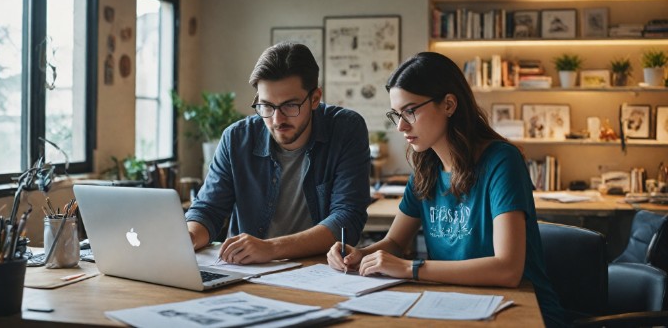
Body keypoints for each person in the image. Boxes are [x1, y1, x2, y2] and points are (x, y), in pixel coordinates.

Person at [327, 52, 566, 327]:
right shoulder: (425, 167)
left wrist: (409, 268)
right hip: (453, 304)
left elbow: (508, 270)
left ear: (449, 104)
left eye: (410, 111)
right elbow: (394, 242)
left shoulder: (502, 161)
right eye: (397, 114)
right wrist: (361, 255)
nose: (401, 126)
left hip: (521, 311)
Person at [186, 42, 371, 265]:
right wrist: (188, 237)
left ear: (315, 98)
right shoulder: (236, 138)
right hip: (246, 272)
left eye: (290, 106)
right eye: (266, 106)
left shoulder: (345, 129)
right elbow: (208, 209)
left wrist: (271, 248)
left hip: (317, 272)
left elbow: (347, 219)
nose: (276, 119)